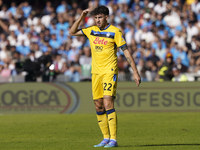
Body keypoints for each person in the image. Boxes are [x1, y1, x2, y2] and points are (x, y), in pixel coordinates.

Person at [69, 6, 141, 148]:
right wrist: (81, 17)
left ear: (106, 17)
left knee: (108, 102)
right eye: (95, 18)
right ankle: (105, 138)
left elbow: (126, 52)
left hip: (110, 71)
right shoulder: (91, 30)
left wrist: (135, 71)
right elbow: (72, 32)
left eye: (100, 17)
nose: (97, 20)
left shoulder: (115, 31)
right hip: (95, 73)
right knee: (98, 105)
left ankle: (113, 139)